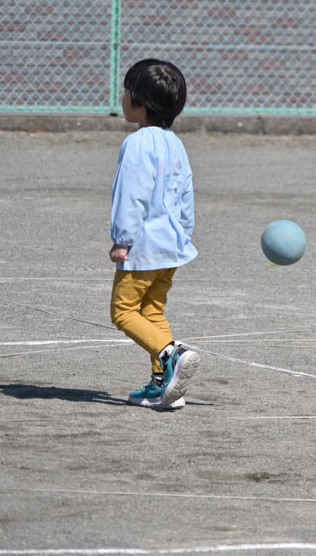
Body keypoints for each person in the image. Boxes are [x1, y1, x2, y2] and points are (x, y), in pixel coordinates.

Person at [109, 59, 201, 410]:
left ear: (140, 103)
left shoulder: (137, 143)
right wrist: (184, 234)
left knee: (123, 312)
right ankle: (163, 386)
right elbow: (186, 193)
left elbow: (131, 195)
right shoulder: (175, 143)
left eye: (126, 91)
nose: (122, 97)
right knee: (152, 311)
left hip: (143, 248)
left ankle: (172, 354)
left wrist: (122, 240)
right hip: (171, 247)